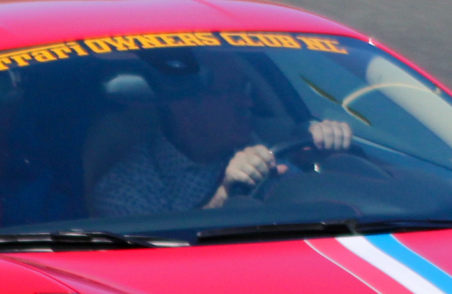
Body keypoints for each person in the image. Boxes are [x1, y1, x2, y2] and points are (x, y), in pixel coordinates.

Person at [92, 52, 350, 219]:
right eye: (232, 91)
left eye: (245, 88)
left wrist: (320, 162)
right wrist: (225, 194)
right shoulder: (127, 188)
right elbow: (163, 264)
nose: (248, 102)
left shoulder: (265, 142)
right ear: (185, 107)